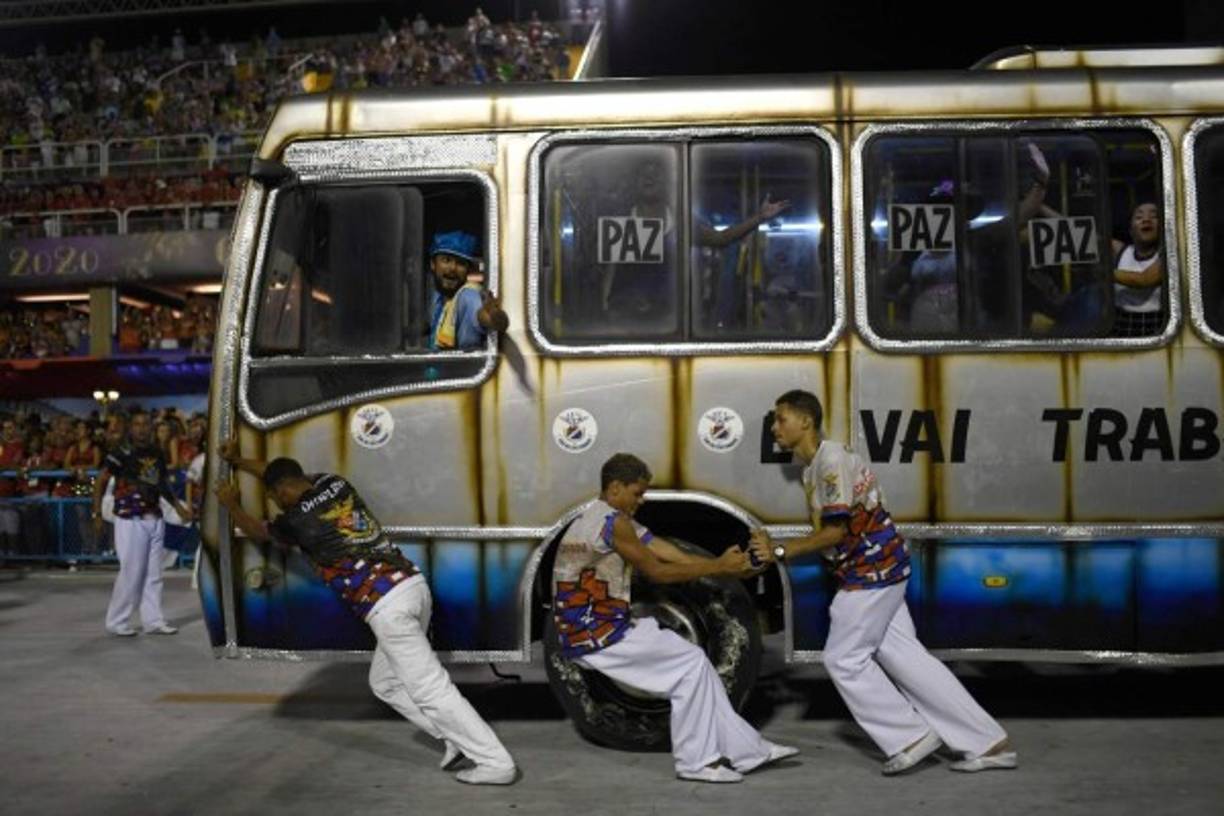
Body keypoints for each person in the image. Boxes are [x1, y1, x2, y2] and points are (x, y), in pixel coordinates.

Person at [215, 445, 518, 785]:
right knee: (385, 684)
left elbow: (258, 532)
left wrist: (230, 504)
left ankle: (495, 762)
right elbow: (277, 472)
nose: (274, 504)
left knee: (431, 689)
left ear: (280, 492)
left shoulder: (297, 523)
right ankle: (452, 738)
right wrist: (238, 462)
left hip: (387, 605)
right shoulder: (334, 483)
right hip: (412, 586)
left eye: (272, 497)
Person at [750, 390, 1016, 775]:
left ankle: (909, 737)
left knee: (843, 659)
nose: (774, 428)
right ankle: (989, 744)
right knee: (905, 658)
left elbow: (837, 532)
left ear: (805, 421)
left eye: (780, 419)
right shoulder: (816, 466)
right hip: (880, 567)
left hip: (871, 571)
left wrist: (779, 551)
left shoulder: (831, 461)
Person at [553, 452, 798, 783]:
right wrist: (719, 567)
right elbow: (656, 572)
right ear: (615, 487)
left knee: (698, 669)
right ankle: (696, 763)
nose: (641, 501)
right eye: (637, 493)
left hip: (600, 626)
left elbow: (663, 549)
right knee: (691, 667)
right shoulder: (614, 523)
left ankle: (747, 751)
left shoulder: (601, 515)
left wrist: (725, 569)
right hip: (596, 634)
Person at [93, 409, 191, 637]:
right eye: (137, 424)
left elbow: (161, 483)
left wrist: (177, 507)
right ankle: (117, 621)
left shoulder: (156, 452)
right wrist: (97, 514)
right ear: (130, 427)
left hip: (155, 517)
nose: (142, 428)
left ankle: (153, 621)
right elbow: (100, 481)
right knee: (131, 572)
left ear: (151, 427)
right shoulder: (121, 452)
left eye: (146, 424)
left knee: (154, 573)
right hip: (130, 519)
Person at [427, 230, 509, 350]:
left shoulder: (469, 295)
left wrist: (493, 317)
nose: (453, 268)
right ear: (433, 264)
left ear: (468, 270)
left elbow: (484, 317)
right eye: (446, 260)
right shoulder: (437, 297)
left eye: (461, 263)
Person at [1111, 202, 1164, 337]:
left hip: (1157, 327)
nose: (1146, 219)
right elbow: (1079, 233)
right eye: (1139, 217)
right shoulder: (1121, 251)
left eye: (1154, 216)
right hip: (1121, 324)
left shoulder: (1168, 254)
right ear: (1131, 230)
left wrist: (1104, 273)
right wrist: (1047, 208)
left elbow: (1144, 279)